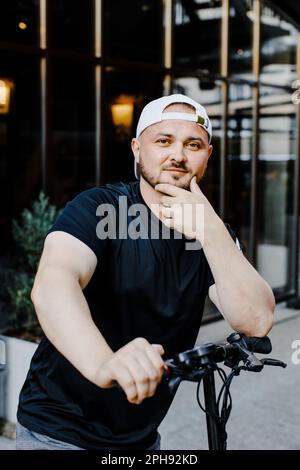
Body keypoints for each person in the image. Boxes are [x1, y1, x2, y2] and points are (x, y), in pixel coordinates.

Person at [16, 94, 275, 450]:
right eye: (163, 141)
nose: (178, 155)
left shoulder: (213, 234)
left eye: (193, 144)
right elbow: (53, 285)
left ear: (207, 156)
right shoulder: (100, 208)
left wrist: (211, 229)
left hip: (140, 438)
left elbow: (256, 321)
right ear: (138, 149)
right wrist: (105, 363)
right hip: (58, 431)